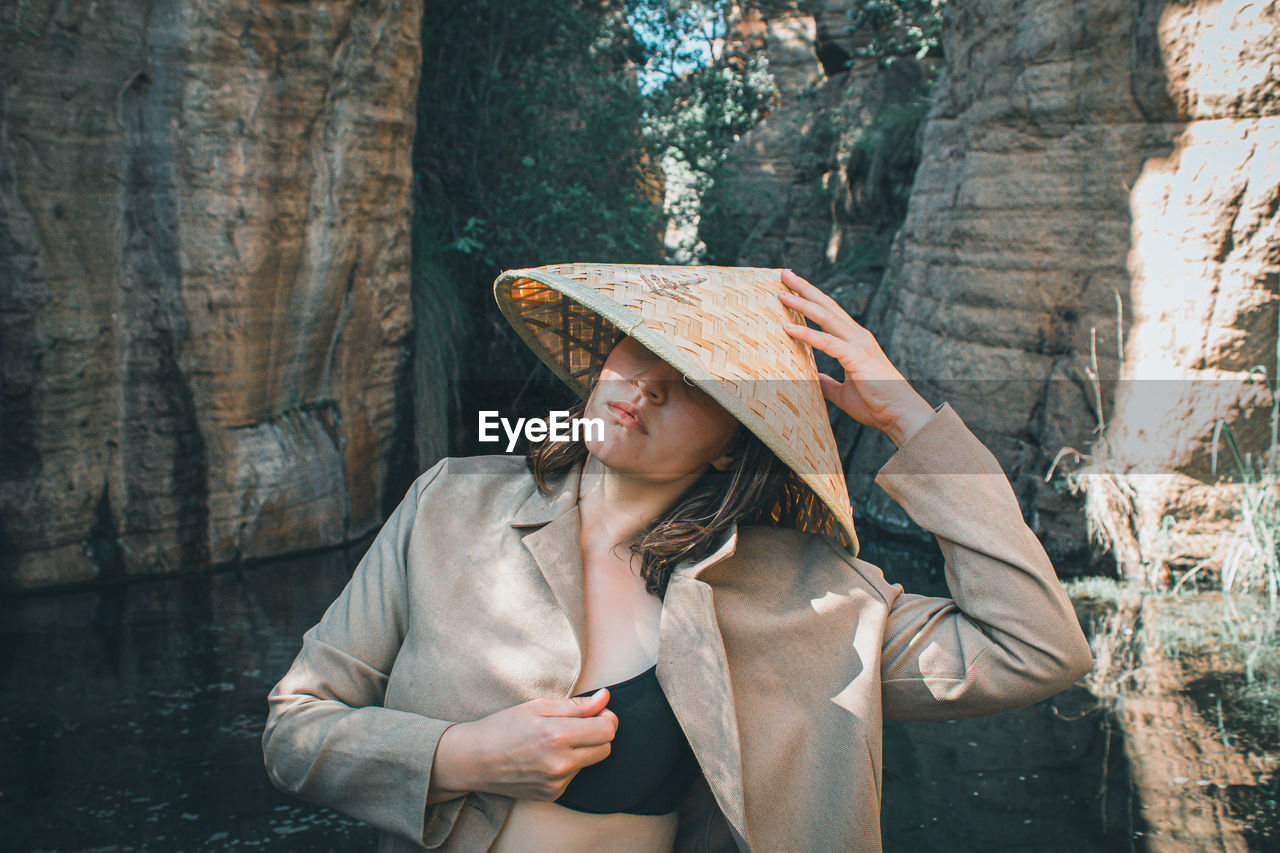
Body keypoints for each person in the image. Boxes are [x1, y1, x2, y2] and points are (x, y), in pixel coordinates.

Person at [261, 264, 1094, 853]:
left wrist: (910, 420)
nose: (647, 384)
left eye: (698, 380)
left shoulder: (809, 597)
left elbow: (1036, 649)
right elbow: (296, 730)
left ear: (740, 444)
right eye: (637, 348)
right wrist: (465, 756)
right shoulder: (447, 504)